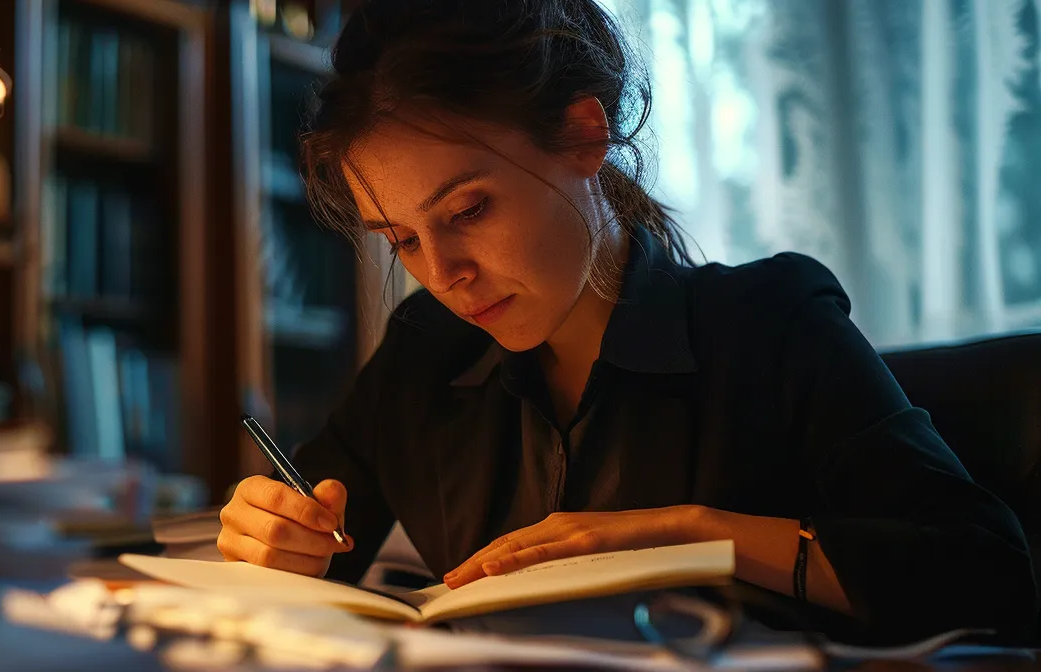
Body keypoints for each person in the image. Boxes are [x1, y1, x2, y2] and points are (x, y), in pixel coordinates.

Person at [216, 0, 1035, 644]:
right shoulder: (427, 351)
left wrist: (694, 535)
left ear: (583, 134)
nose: (442, 274)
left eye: (467, 209)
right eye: (400, 240)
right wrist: (275, 539)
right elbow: (312, 533)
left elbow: (988, 573)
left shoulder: (769, 322)